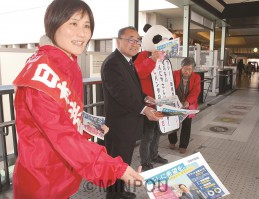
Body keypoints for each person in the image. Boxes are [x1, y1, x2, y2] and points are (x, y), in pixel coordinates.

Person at [12, 1, 143, 198]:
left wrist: (88, 126)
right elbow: (62, 137)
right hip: (42, 182)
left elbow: (62, 117)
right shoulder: (43, 73)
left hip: (59, 176)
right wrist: (116, 169)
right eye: (73, 24)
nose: (82, 34)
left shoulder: (66, 62)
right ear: (54, 24)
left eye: (87, 25)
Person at [101, 26, 162, 199]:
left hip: (128, 124)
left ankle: (120, 191)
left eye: (138, 41)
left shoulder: (127, 61)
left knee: (124, 162)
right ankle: (113, 195)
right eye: (131, 39)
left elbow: (133, 89)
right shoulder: (112, 63)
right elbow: (120, 93)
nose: (135, 44)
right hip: (119, 126)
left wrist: (146, 97)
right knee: (116, 162)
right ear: (118, 41)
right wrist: (144, 109)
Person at [134, 50, 168, 171]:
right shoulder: (143, 55)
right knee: (147, 135)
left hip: (159, 104)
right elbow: (139, 73)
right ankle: (145, 161)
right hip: (147, 105)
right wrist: (152, 59)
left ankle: (154, 155)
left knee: (157, 133)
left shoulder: (163, 56)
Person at [168, 57, 201, 154]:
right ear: (181, 67)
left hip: (188, 104)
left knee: (187, 125)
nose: (186, 71)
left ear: (193, 69)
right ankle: (172, 141)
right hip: (175, 102)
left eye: (189, 69)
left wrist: (188, 101)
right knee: (173, 122)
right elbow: (169, 88)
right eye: (185, 69)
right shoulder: (174, 74)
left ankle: (183, 145)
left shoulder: (196, 77)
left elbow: (196, 91)